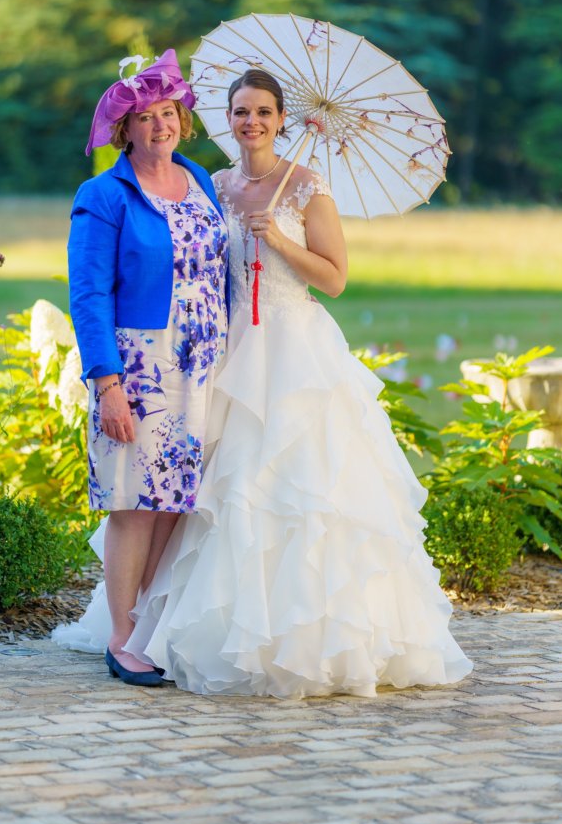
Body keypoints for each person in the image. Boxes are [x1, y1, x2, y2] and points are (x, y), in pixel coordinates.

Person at [119, 67, 473, 698]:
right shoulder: (215, 185)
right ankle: (165, 621)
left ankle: (301, 633)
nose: (250, 122)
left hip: (292, 351)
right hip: (225, 352)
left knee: (288, 487)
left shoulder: (308, 187)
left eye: (261, 112)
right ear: (226, 120)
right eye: (239, 112)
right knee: (210, 489)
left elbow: (334, 279)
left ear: (283, 119)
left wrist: (279, 239)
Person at [53, 50, 229, 687]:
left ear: (183, 121)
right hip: (141, 365)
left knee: (176, 501)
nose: (160, 126)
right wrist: (108, 385)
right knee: (134, 502)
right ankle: (122, 636)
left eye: (168, 114)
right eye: (145, 117)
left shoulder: (202, 180)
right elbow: (89, 294)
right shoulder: (102, 195)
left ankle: (149, 622)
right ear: (124, 129)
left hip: (203, 363)